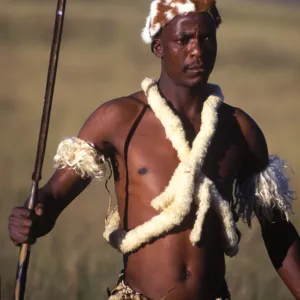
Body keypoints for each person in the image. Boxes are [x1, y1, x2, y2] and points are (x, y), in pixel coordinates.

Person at [8, 0, 300, 299]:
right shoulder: (119, 119)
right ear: (158, 47)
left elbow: (278, 232)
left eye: (206, 38)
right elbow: (54, 195)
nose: (197, 50)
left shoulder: (239, 130)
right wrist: (33, 218)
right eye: (183, 40)